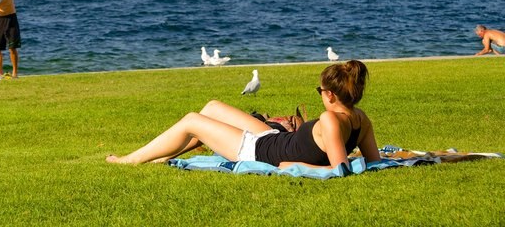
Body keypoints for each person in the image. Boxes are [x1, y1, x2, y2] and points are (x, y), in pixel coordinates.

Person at [106, 60, 381, 171]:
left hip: (259, 151)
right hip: (273, 138)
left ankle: (130, 160)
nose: (320, 95)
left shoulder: (330, 119)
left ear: (330, 95)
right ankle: (167, 153)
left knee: (192, 120)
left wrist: (290, 167)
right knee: (212, 107)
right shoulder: (361, 119)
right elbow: (374, 162)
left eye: (320, 91)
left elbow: (339, 170)